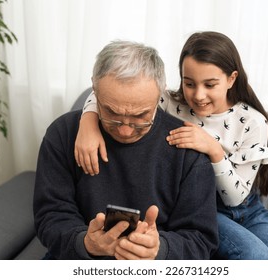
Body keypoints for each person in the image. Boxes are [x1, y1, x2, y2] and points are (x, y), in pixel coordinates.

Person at [74, 32, 268, 260]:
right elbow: (112, 92)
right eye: (189, 83)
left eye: (210, 85)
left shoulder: (253, 122)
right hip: (204, 209)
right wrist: (88, 123)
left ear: (231, 79)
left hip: (246, 208)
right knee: (256, 256)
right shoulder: (170, 103)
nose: (198, 95)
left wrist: (213, 149)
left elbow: (235, 199)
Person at [33, 40, 219, 260]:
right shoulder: (63, 134)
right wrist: (85, 243)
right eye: (111, 112)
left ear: (160, 93)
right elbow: (50, 216)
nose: (124, 131)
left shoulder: (188, 148)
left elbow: (201, 239)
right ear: (94, 88)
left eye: (140, 116)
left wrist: (159, 250)